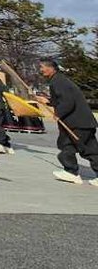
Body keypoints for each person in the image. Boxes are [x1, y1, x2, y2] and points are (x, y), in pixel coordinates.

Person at [37, 57, 98, 186]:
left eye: (42, 67)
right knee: (88, 149)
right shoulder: (60, 80)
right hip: (83, 122)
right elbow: (64, 99)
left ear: (50, 68)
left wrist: (58, 114)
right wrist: (48, 101)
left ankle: (71, 172)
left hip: (76, 123)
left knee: (69, 146)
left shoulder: (58, 81)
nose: (40, 70)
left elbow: (68, 102)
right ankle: (72, 172)